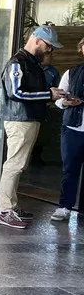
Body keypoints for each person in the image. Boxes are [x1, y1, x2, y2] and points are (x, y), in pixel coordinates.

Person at [0, 25, 65, 229]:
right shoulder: (18, 63)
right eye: (48, 46)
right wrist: (48, 95)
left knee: (19, 164)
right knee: (14, 164)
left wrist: (51, 95)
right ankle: (5, 210)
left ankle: (10, 207)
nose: (49, 50)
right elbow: (16, 93)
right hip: (20, 120)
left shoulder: (30, 63)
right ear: (36, 39)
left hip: (27, 119)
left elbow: (26, 93)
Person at [51, 36, 84, 221]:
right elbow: (57, 101)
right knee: (70, 169)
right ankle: (64, 207)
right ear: (81, 49)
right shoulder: (71, 73)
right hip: (73, 128)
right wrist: (65, 102)